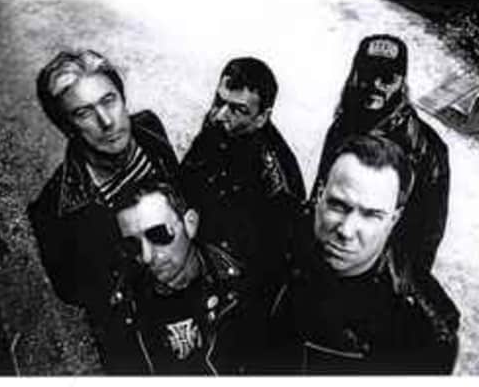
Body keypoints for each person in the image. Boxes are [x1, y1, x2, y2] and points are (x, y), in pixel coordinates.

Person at [27, 49, 179, 373]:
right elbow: (73, 292)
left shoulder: (150, 129)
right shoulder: (52, 212)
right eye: (84, 113)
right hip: (139, 339)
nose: (107, 122)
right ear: (67, 127)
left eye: (109, 100)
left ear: (123, 99)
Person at [277, 135, 459, 374]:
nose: (346, 231)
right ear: (320, 194)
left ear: (394, 219)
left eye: (371, 215)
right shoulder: (274, 232)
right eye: (338, 205)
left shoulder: (423, 332)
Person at [179, 57, 305, 373]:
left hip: (241, 292)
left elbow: (276, 273)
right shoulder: (218, 124)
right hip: (198, 253)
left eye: (238, 109)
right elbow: (187, 180)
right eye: (219, 100)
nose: (221, 114)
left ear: (263, 118)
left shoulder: (278, 181)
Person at [311, 34, 450, 290]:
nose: (375, 85)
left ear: (402, 83)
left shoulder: (428, 149)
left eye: (387, 78)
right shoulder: (342, 126)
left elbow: (426, 238)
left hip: (376, 275)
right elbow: (321, 192)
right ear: (354, 75)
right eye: (367, 74)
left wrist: (395, 286)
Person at [105, 180, 243, 374]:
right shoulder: (125, 311)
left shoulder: (244, 284)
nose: (147, 256)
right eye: (133, 245)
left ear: (190, 223)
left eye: (158, 234)